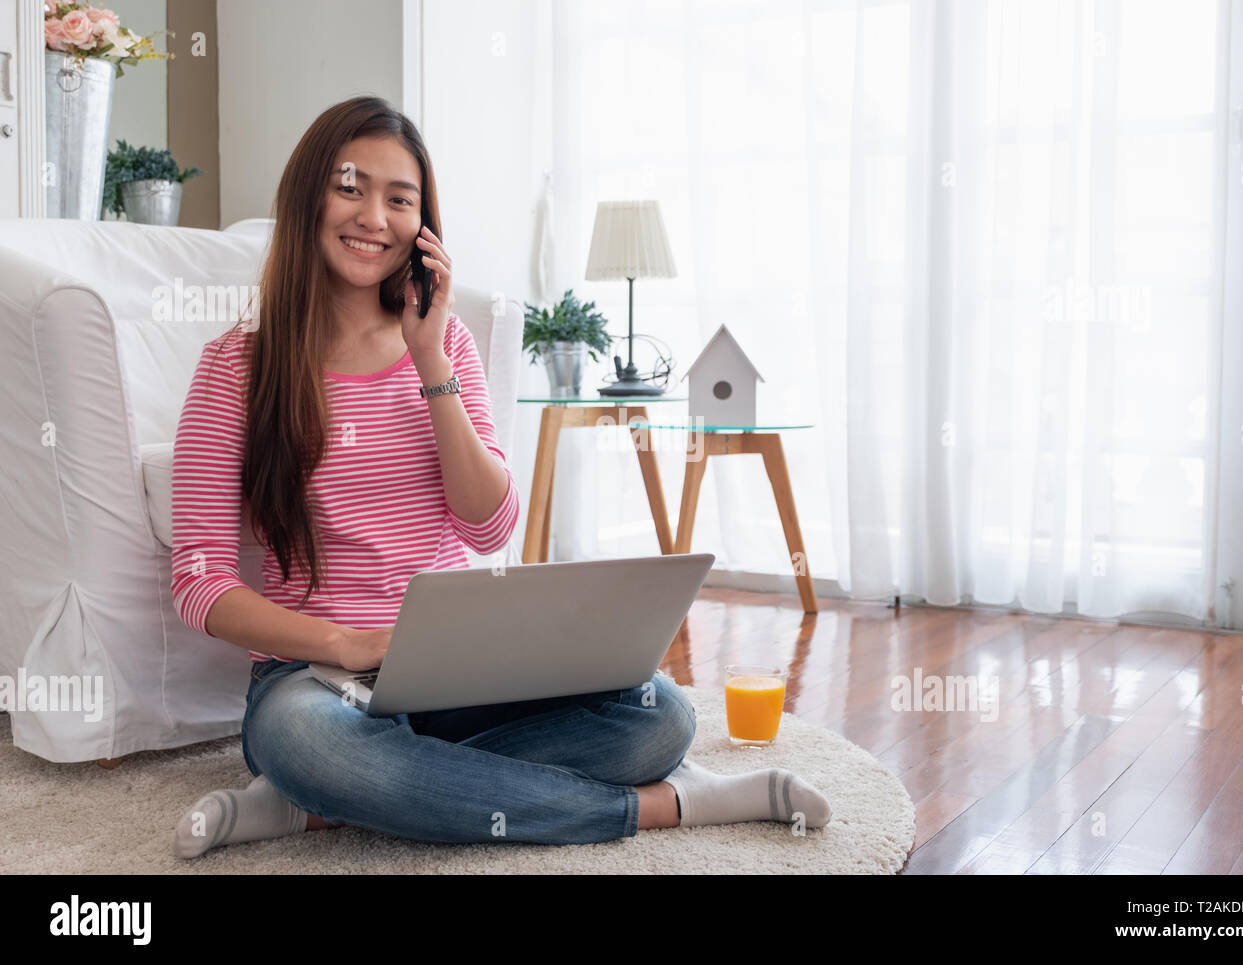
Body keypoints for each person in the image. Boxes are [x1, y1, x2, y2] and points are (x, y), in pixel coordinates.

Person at [169, 96, 831, 858]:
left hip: (457, 672)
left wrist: (429, 364)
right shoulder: (235, 365)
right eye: (351, 187)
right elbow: (201, 581)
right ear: (308, 194)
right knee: (308, 743)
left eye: (400, 199)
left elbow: (487, 524)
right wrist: (344, 640)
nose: (373, 217)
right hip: (313, 682)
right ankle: (668, 805)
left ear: (422, 226)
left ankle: (314, 807)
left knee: (662, 717)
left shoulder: (444, 343)